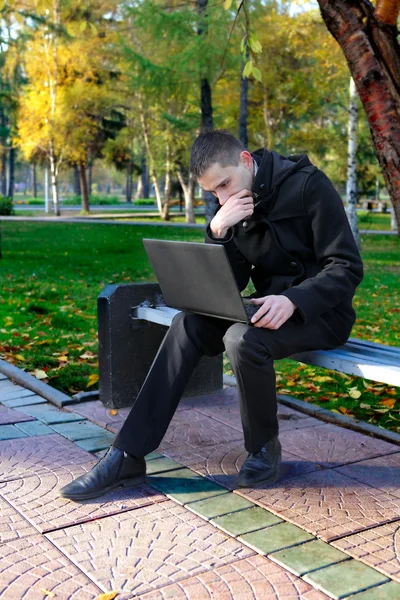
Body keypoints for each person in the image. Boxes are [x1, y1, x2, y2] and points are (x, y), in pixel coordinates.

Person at [59, 129, 364, 501]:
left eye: (225, 184)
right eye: (214, 192)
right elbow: (231, 282)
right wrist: (220, 230)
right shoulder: (232, 206)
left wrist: (295, 300)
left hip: (321, 313)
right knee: (187, 324)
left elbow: (347, 267)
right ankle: (127, 454)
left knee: (242, 339)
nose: (223, 196)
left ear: (246, 161)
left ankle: (263, 449)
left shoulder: (308, 185)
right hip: (264, 307)